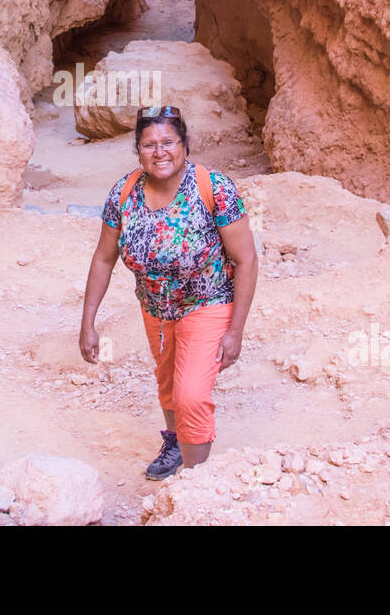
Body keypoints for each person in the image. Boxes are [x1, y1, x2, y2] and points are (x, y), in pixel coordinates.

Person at [79, 105, 258, 480]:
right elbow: (102, 259)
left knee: (191, 394)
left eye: (168, 142)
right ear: (138, 150)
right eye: (149, 145)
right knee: (169, 385)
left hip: (207, 301)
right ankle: (176, 444)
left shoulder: (215, 188)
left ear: (184, 145)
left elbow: (246, 260)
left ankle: (196, 484)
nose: (160, 152)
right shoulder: (124, 192)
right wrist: (88, 322)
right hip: (155, 308)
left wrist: (235, 331)